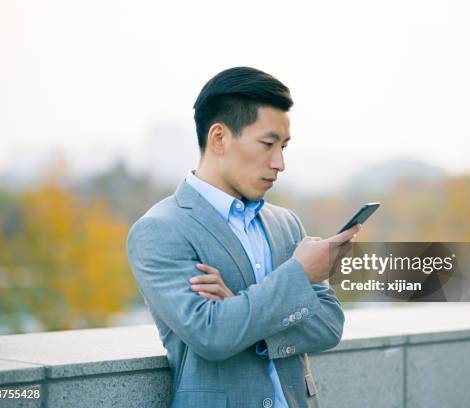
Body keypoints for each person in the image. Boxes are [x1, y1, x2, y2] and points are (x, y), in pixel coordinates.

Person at [127, 67, 359, 408]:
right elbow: (211, 335)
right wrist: (297, 276)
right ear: (219, 138)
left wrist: (238, 306)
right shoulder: (160, 230)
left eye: (284, 146)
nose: (280, 162)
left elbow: (329, 326)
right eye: (267, 144)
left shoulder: (286, 223)